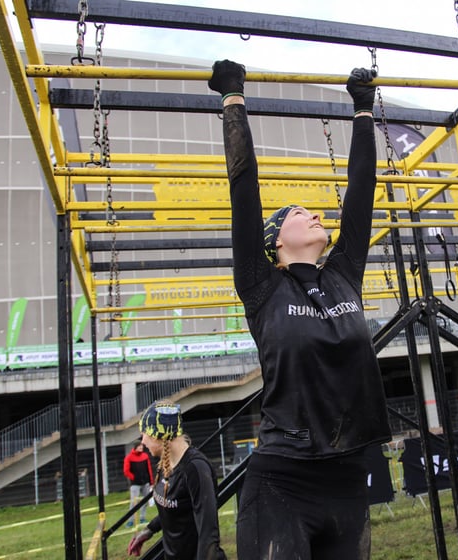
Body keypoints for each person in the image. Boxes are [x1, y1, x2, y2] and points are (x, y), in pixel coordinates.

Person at [208, 60, 391, 560]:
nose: (313, 213)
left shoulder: (342, 274)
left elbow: (361, 189)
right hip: (283, 481)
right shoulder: (262, 285)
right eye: (297, 213)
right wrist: (233, 99)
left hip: (350, 478)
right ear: (275, 241)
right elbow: (243, 188)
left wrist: (361, 109)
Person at [127, 402, 227, 560]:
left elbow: (208, 534)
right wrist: (149, 530)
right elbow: (175, 508)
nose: (143, 441)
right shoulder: (164, 464)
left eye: (145, 433)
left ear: (159, 434)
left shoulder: (195, 469)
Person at [123, 438, 154, 526]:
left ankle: (142, 518)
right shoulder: (129, 457)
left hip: (145, 483)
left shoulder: (145, 456)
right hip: (135, 484)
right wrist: (134, 478)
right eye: (140, 446)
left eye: (142, 446)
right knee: (133, 503)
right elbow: (126, 471)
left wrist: (151, 481)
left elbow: (149, 469)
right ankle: (130, 521)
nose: (141, 448)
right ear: (135, 447)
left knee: (145, 501)